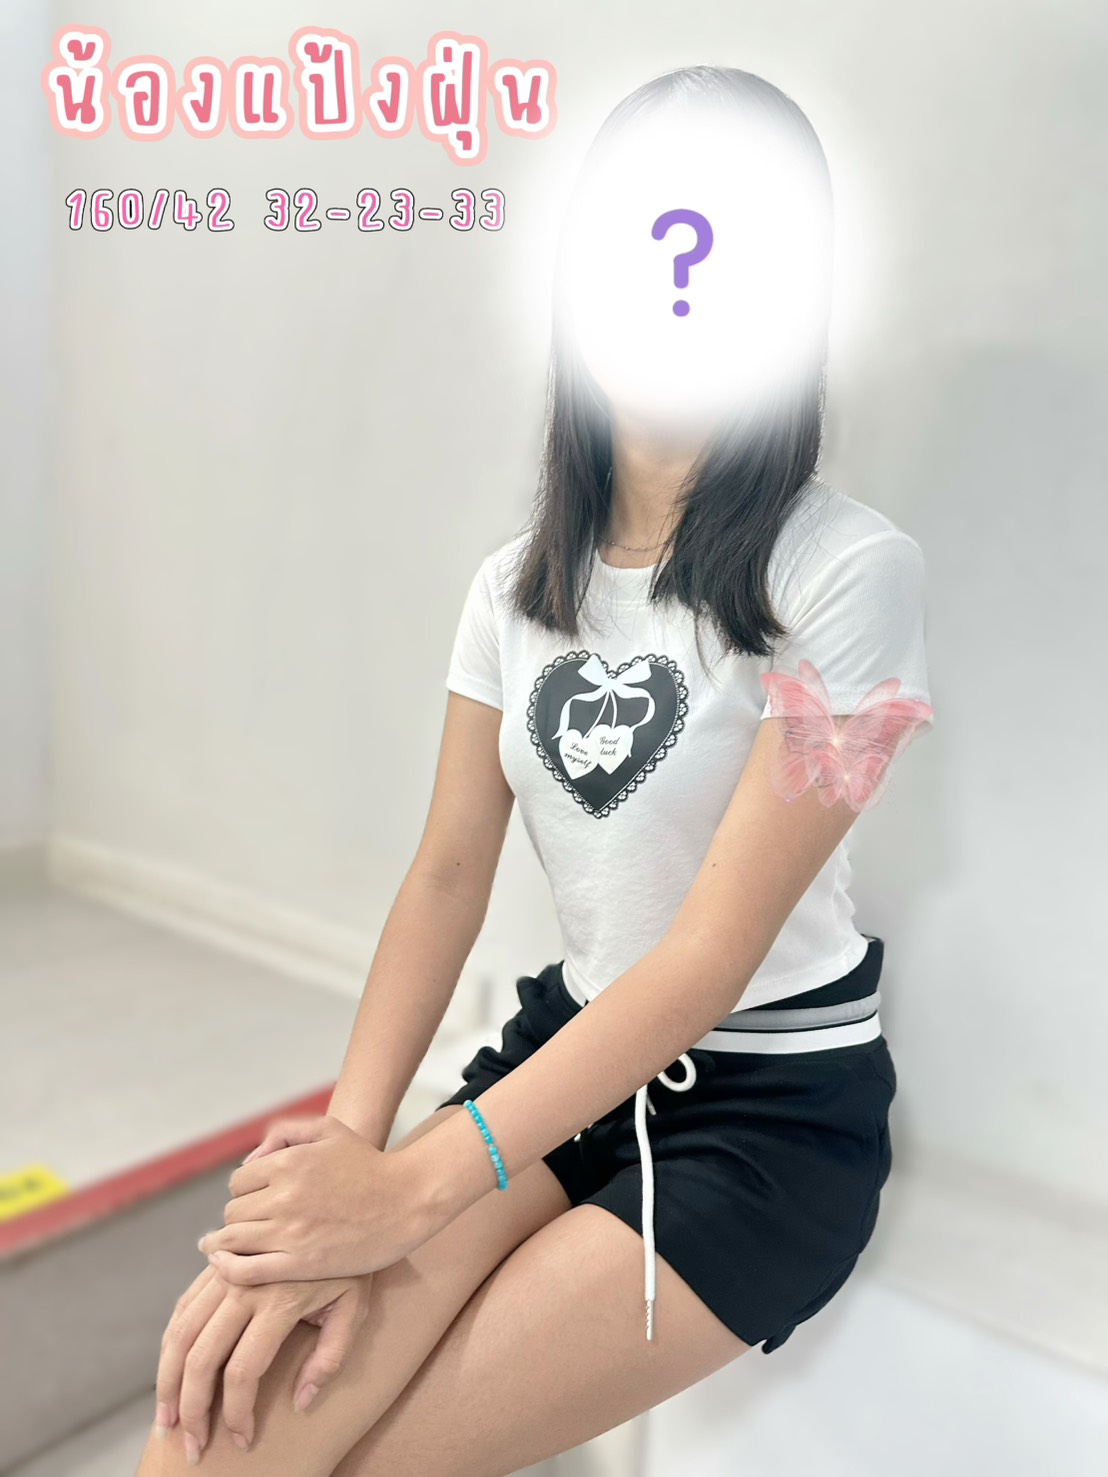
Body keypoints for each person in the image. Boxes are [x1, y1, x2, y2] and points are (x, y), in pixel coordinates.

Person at [139, 66, 933, 1477]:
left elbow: (707, 959)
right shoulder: (511, 589)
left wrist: (412, 1195)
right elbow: (448, 873)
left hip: (765, 1118)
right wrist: (350, 1153)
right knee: (225, 1431)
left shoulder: (851, 572)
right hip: (564, 1061)